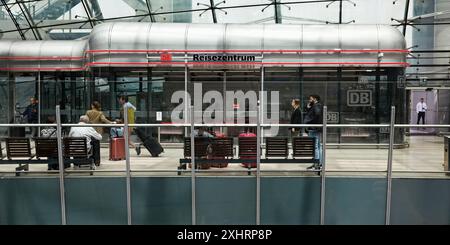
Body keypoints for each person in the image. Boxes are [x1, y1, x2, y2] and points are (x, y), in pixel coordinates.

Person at [303, 94, 323, 170]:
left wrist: (308, 122)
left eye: (310, 99)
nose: (309, 100)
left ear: (314, 99)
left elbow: (316, 115)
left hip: (314, 128)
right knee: (318, 146)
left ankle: (316, 164)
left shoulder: (316, 106)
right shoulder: (317, 106)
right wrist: (308, 108)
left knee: (315, 146)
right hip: (316, 128)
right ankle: (319, 164)